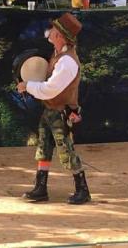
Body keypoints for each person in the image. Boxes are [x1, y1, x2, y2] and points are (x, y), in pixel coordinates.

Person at [16, 13, 91, 205]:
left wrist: (28, 86)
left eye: (54, 30)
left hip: (61, 111)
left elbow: (50, 89)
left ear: (60, 36)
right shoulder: (58, 54)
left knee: (66, 150)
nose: (50, 32)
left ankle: (82, 189)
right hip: (50, 110)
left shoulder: (67, 62)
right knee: (44, 147)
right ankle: (41, 188)